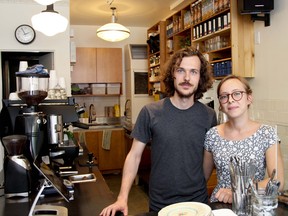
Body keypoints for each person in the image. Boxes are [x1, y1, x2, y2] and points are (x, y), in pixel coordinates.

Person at [100, 47, 217, 216]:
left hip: (197, 203)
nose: (186, 78)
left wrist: (197, 184)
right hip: (160, 204)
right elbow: (134, 156)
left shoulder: (209, 115)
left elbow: (208, 159)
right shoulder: (150, 112)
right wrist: (122, 198)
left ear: (200, 78)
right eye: (181, 70)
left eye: (193, 72)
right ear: (172, 75)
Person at [203, 75, 284, 204]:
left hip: (253, 205)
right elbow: (203, 178)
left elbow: (277, 182)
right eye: (224, 96)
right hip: (220, 206)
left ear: (249, 98)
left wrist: (238, 192)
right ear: (220, 104)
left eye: (237, 94)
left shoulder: (267, 134)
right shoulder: (212, 135)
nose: (230, 100)